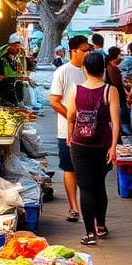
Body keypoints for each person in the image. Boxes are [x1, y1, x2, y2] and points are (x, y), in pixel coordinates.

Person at [66, 51, 120, 246]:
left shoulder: (76, 90)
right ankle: (101, 226)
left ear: (85, 69)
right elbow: (116, 121)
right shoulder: (110, 91)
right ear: (103, 68)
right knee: (99, 186)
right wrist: (113, 147)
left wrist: (69, 136)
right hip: (102, 145)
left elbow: (71, 116)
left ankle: (89, 233)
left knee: (86, 187)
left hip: (79, 145)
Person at [50, 35, 91, 223]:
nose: (88, 53)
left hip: (90, 130)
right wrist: (73, 118)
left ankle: (88, 206)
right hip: (66, 130)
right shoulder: (62, 72)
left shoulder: (91, 71)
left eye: (89, 49)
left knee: (87, 169)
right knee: (69, 168)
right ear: (73, 51)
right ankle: (73, 207)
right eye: (84, 50)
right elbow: (55, 102)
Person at [0, 34, 26, 106]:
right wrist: (13, 79)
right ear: (10, 46)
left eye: (19, 46)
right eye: (15, 46)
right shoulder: (2, 59)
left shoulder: (16, 59)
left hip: (16, 97)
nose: (18, 48)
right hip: (6, 95)